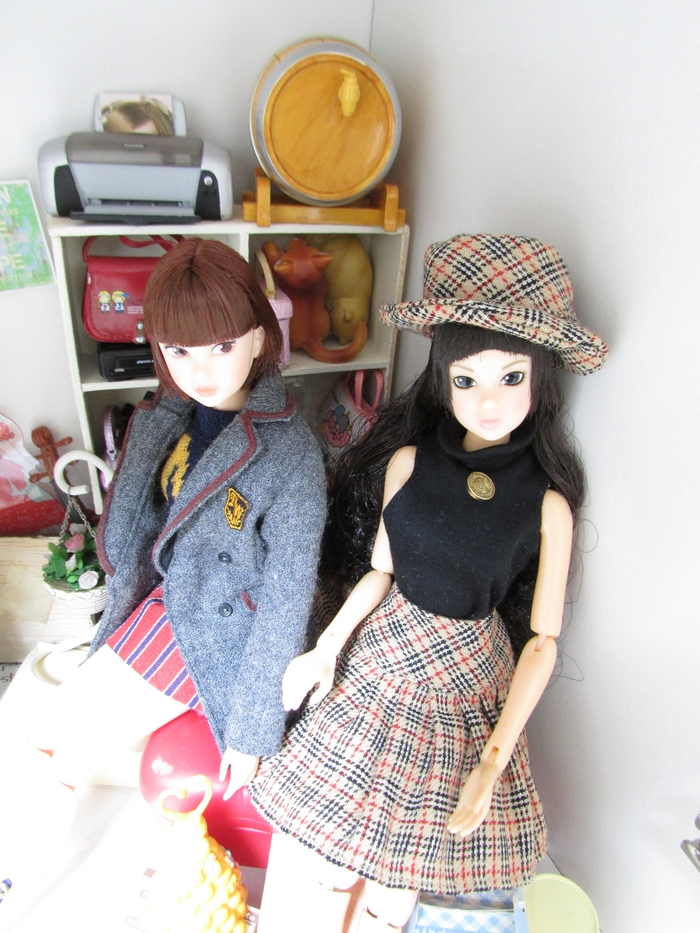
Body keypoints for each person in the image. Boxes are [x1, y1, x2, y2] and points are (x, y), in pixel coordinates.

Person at [249, 234, 608, 932]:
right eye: (467, 380)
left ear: (540, 378)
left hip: (467, 678)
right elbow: (382, 570)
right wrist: (326, 648)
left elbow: (543, 640)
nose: (488, 401)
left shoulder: (546, 504)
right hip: (383, 658)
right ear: (443, 378)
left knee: (405, 869)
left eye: (511, 378)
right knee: (331, 843)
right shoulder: (408, 463)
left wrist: (494, 760)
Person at [1, 238, 326, 895]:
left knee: (58, 750)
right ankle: (20, 865)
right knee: (40, 731)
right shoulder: (171, 416)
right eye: (179, 350)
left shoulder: (290, 452)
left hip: (211, 628)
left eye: (220, 346)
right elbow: (137, 531)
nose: (200, 370)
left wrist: (252, 729)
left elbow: (287, 602)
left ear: (259, 338)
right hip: (158, 604)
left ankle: (14, 875)